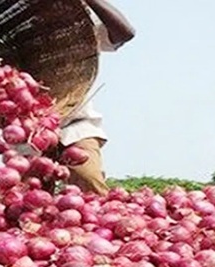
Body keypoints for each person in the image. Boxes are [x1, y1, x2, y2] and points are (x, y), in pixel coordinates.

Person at [20, 0, 134, 195]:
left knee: (88, 183)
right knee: (25, 199)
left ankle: (96, 222)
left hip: (76, 126)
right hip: (28, 132)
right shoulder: (17, 39)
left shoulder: (77, 32)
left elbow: (124, 33)